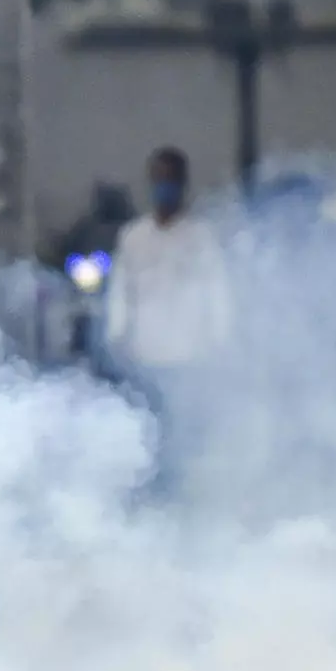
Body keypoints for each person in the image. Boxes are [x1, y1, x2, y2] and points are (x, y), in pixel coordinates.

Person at [105, 147, 233, 477]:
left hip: (189, 355)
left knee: (184, 433)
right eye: (159, 178)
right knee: (148, 432)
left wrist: (219, 339)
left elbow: (216, 292)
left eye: (171, 179)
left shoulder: (201, 237)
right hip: (145, 354)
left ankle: (182, 488)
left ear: (183, 184)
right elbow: (121, 292)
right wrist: (116, 336)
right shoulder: (133, 237)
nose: (165, 186)